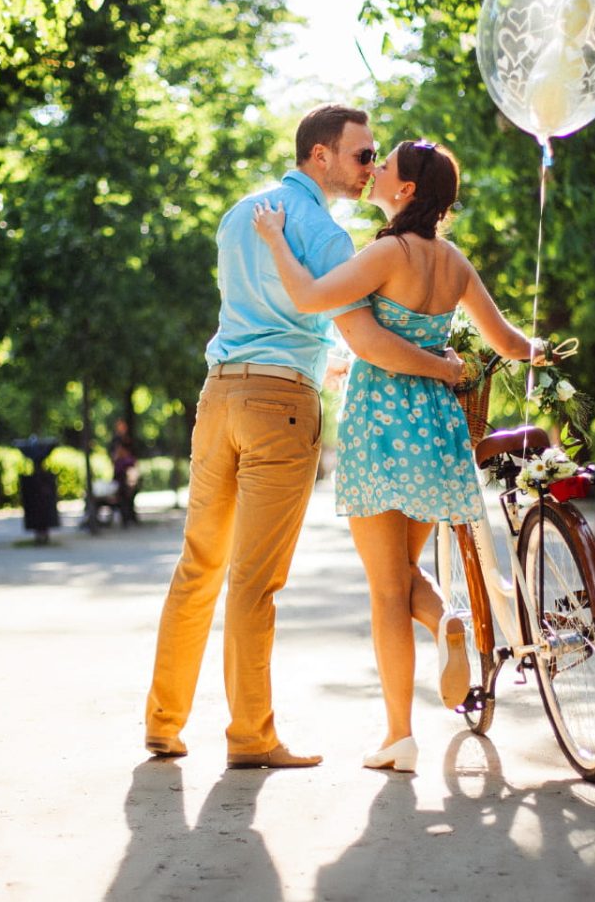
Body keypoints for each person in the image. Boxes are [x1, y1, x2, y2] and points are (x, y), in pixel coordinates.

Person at [143, 105, 464, 770]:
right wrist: (442, 368)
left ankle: (164, 722)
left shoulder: (240, 214)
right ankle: (251, 736)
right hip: (280, 406)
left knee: (198, 563)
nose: (370, 166)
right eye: (360, 155)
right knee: (254, 580)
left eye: (375, 157)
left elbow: (261, 311)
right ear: (320, 156)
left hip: (219, 395)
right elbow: (364, 334)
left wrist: (320, 349)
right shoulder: (329, 237)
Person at [252, 140, 538, 772]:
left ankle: (401, 733)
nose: (374, 170)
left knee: (386, 591)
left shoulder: (387, 252)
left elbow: (311, 298)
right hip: (437, 429)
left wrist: (276, 240)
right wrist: (544, 352)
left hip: (380, 426)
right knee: (402, 575)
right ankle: (448, 626)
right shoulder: (454, 261)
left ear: (406, 191)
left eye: (385, 168)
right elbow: (509, 342)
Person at [109, 418, 139, 525]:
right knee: (122, 495)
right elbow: (113, 456)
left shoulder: (128, 439)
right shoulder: (116, 440)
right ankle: (125, 518)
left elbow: (134, 457)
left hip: (129, 472)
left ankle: (130, 517)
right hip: (121, 473)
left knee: (130, 495)